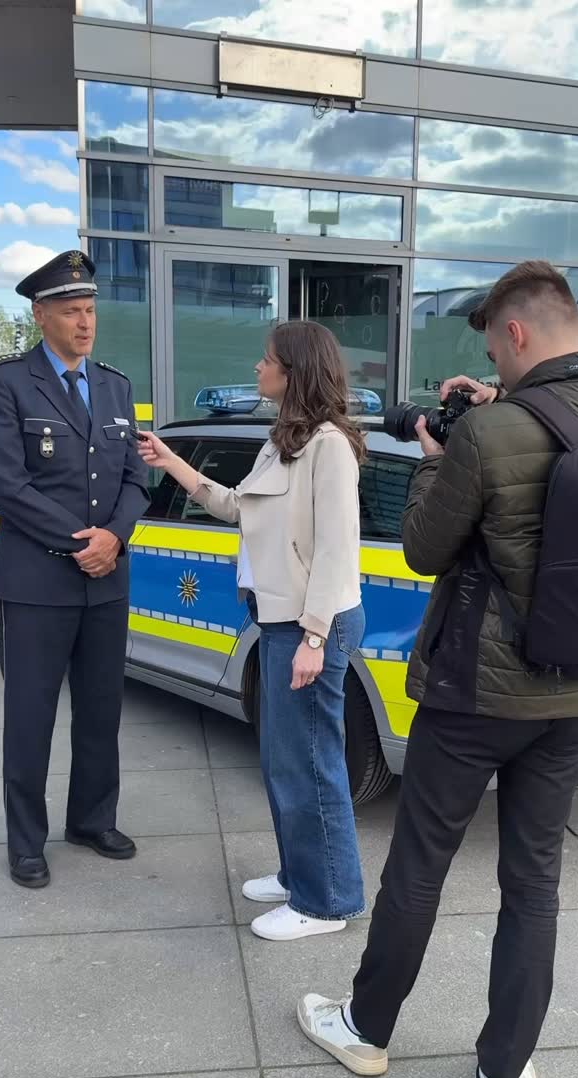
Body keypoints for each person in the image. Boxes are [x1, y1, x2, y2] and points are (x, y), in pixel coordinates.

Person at [295, 261, 578, 1078]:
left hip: (472, 700)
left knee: (420, 867)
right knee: (534, 885)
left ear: (514, 334)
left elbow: (426, 551)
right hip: (574, 693)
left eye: (495, 350)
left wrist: (443, 454)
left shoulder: (490, 431)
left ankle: (366, 1030)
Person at [138, 320, 366, 941]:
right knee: (283, 761)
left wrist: (315, 638)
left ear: (293, 373)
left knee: (311, 765)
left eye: (267, 360)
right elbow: (238, 506)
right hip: (279, 621)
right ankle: (301, 876)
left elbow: (338, 551)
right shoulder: (284, 441)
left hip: (309, 624)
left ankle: (327, 902)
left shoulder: (328, 446)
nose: (258, 368)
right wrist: (170, 462)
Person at [0, 250, 149, 889]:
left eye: (91, 310)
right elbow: (6, 484)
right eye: (72, 311)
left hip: (105, 582)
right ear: (41, 314)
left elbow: (135, 480)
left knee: (102, 711)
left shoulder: (115, 385)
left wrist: (114, 537)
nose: (85, 323)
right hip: (41, 583)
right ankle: (26, 841)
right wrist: (84, 540)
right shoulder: (6, 383)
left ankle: (91, 819)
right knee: (31, 716)